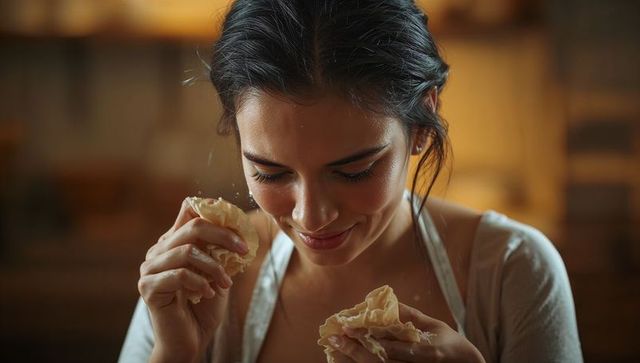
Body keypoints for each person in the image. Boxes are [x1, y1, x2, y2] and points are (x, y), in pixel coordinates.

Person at [118, 0, 583, 362]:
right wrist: (175, 354)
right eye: (270, 171)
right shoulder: (198, 280)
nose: (311, 216)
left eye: (355, 170)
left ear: (423, 121)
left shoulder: (511, 273)